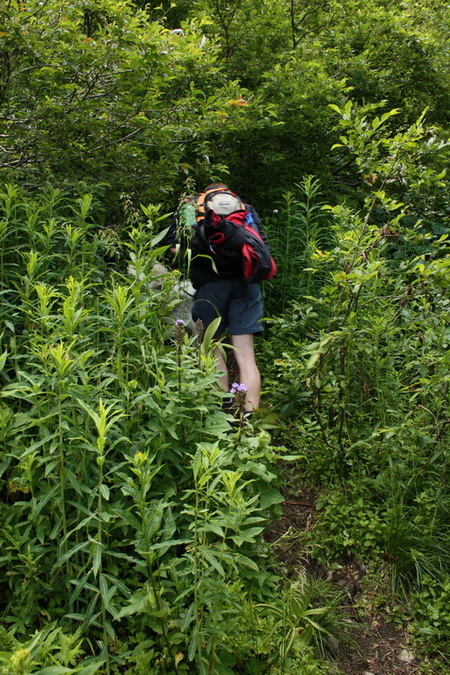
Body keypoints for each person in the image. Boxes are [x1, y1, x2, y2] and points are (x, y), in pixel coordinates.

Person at [167, 183, 272, 414]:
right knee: (246, 355)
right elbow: (262, 246)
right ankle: (249, 420)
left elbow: (174, 247)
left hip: (211, 286)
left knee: (212, 346)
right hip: (247, 285)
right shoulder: (246, 209)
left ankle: (222, 411)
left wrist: (202, 256)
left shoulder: (190, 207)